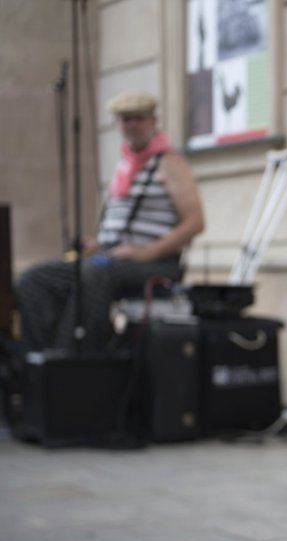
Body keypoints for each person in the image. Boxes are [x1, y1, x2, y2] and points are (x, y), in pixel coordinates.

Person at [16, 91, 205, 354]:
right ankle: (39, 361)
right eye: (125, 120)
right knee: (34, 279)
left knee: (94, 274)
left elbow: (195, 222)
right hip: (110, 257)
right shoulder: (125, 165)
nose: (131, 125)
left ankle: (78, 358)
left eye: (138, 119)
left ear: (153, 121)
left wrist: (147, 252)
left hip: (155, 263)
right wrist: (97, 244)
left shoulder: (169, 163)